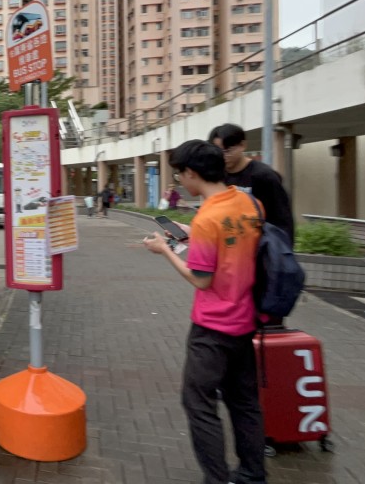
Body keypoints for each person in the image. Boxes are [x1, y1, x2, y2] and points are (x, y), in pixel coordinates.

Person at [142, 139, 266, 484]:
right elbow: (235, 246)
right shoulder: (248, 202)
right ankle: (253, 475)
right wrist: (188, 234)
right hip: (246, 322)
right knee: (244, 402)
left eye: (180, 174)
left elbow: (201, 280)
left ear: (192, 173)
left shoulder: (208, 218)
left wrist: (165, 251)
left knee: (198, 403)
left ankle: (217, 478)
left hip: (212, 328)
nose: (180, 181)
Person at [208, 123, 294, 243]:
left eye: (227, 150)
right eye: (218, 152)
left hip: (260, 248)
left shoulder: (264, 176)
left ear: (243, 145)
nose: (223, 156)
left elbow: (282, 220)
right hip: (230, 248)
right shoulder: (217, 175)